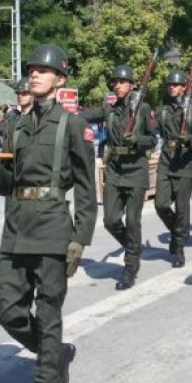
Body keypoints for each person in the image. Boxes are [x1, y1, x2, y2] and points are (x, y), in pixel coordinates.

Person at [0, 43, 97, 383]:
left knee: (48, 314)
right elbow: (8, 185)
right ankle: (55, 353)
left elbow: (85, 186)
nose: (34, 75)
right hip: (15, 228)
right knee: (7, 309)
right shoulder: (16, 126)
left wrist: (80, 237)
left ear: (59, 80)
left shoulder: (72, 126)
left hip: (51, 230)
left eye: (42, 71)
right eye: (31, 69)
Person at [82, 64, 157, 290]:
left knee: (133, 221)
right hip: (114, 169)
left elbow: (153, 139)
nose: (117, 85)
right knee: (110, 220)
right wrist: (61, 113)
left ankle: (130, 266)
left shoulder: (143, 109)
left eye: (122, 82)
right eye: (115, 82)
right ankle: (133, 248)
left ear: (131, 85)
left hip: (136, 169)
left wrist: (137, 141)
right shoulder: (109, 110)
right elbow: (84, 116)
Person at [154, 69, 192, 268]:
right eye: (170, 85)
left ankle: (179, 246)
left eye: (176, 85)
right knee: (161, 204)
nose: (172, 88)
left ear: (184, 87)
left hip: (185, 163)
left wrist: (189, 139)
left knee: (182, 209)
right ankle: (177, 231)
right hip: (166, 160)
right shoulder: (163, 110)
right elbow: (152, 130)